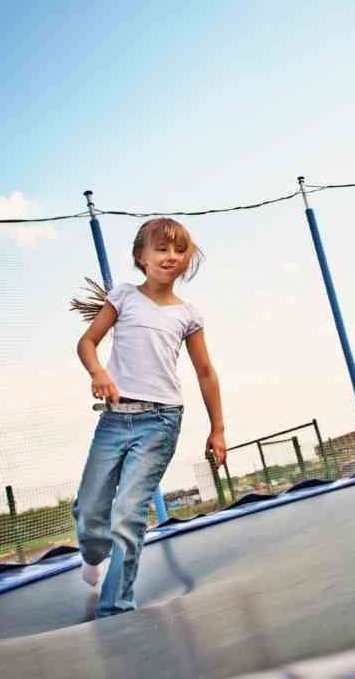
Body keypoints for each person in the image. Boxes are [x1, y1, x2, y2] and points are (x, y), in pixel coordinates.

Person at [70, 217, 227, 617]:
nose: (170, 257)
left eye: (179, 250)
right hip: (115, 419)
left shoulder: (188, 315)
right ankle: (92, 552)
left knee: (128, 513)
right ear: (141, 257)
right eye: (161, 249)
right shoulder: (123, 297)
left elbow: (206, 372)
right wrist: (99, 373)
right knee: (91, 510)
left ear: (187, 259)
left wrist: (217, 429)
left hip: (161, 421)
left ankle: (116, 608)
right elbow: (87, 342)